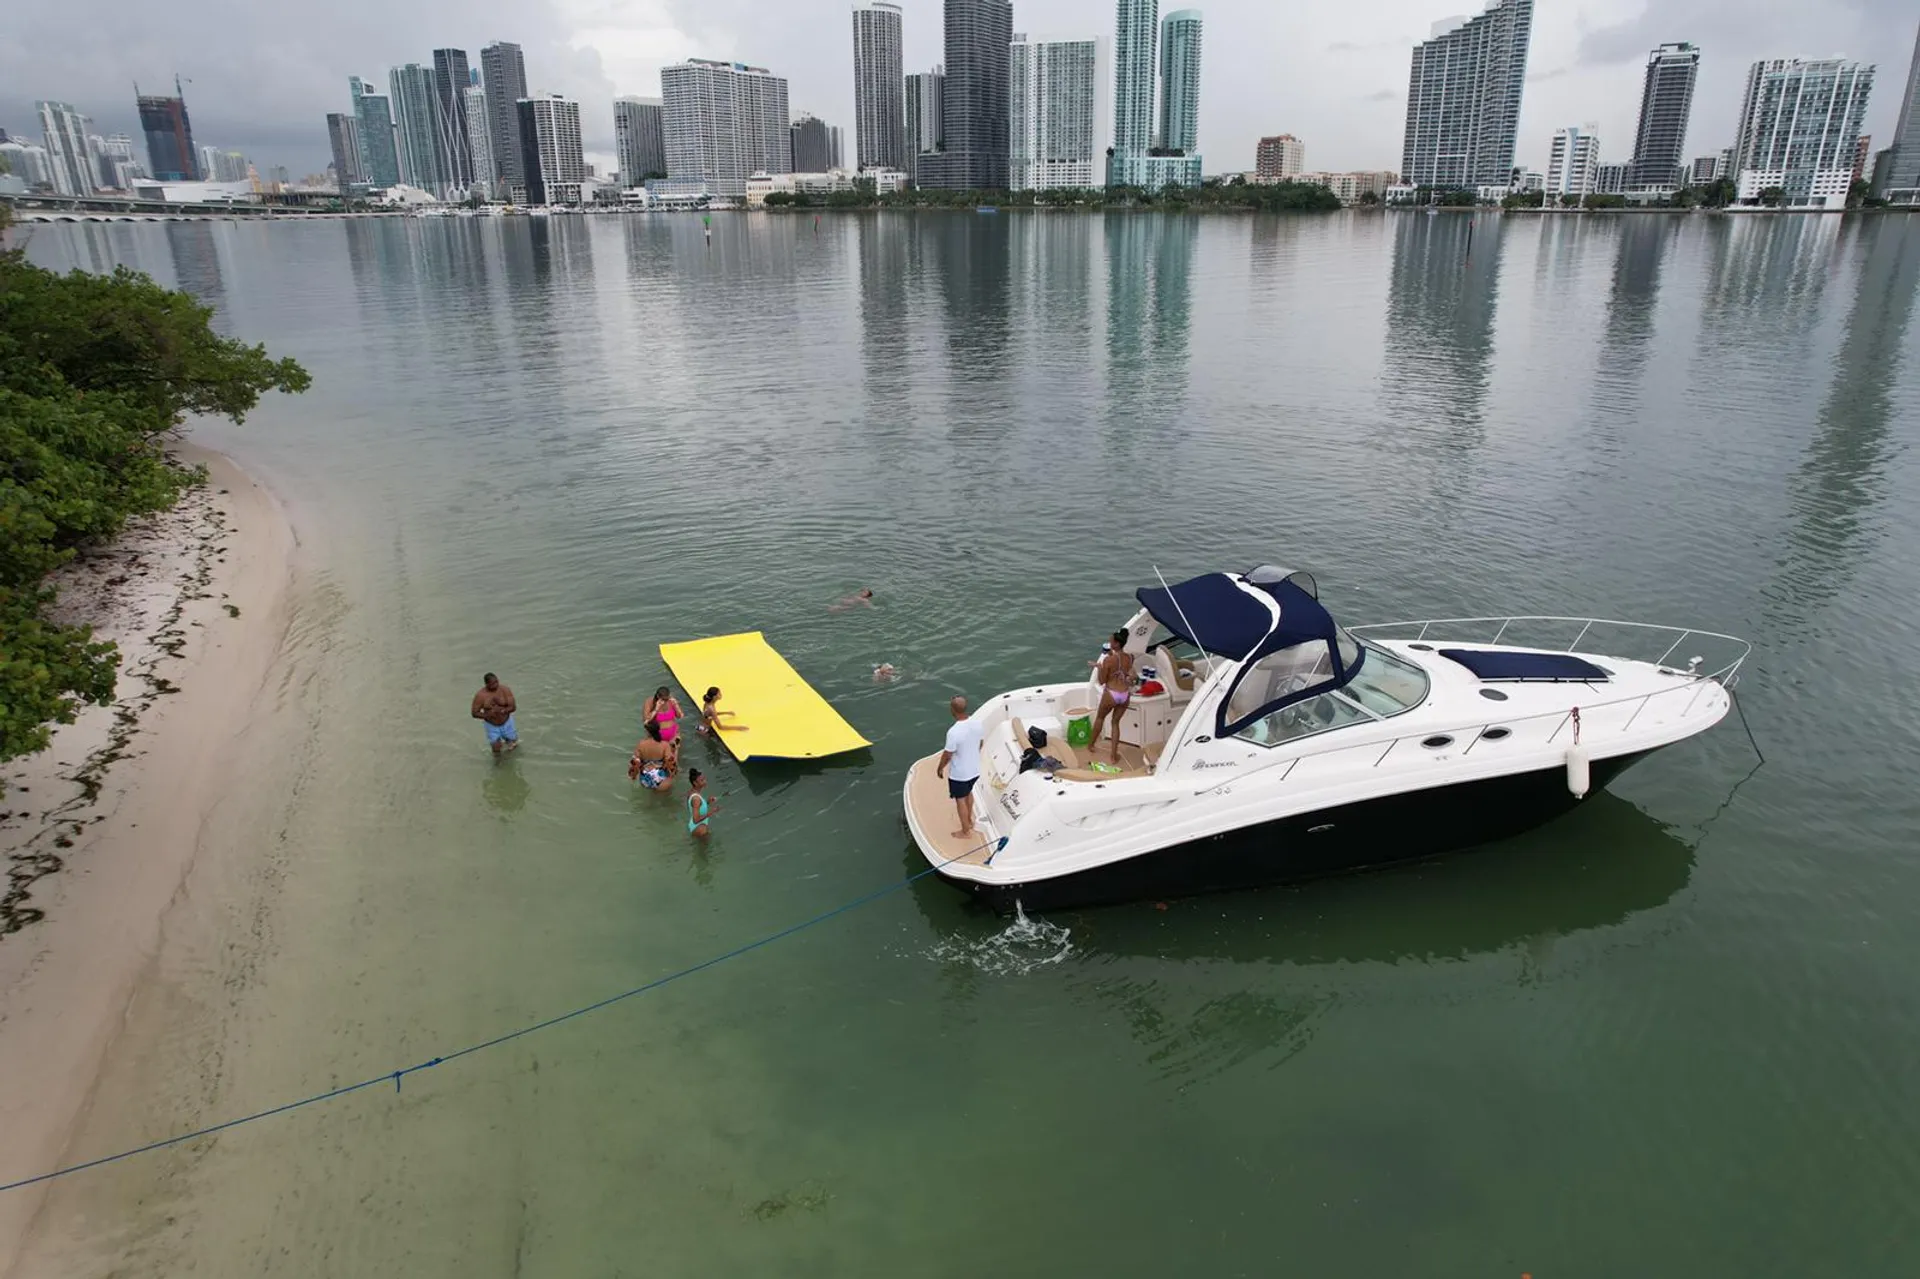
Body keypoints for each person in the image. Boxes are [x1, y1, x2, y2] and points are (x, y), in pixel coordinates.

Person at [934, 695, 984, 840]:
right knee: (969, 793)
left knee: (960, 799)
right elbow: (980, 742)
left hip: (960, 774)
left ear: (952, 710)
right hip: (974, 770)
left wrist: (940, 768)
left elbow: (947, 754)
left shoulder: (953, 732)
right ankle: (969, 821)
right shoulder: (977, 723)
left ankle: (965, 831)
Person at [1086, 630, 1135, 763]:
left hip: (1111, 693)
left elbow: (1102, 680)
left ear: (1117, 644)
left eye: (1111, 641)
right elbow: (1126, 670)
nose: (1109, 643)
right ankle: (1113, 756)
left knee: (1100, 718)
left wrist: (1099, 667)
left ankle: (1090, 745)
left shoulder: (1109, 660)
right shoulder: (1131, 657)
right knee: (1115, 723)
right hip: (1124, 694)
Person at [470, 673, 518, 756]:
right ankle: (498, 762)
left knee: (513, 744)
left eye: (496, 682)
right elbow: (474, 713)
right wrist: (488, 715)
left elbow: (513, 707)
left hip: (507, 722)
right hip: (492, 725)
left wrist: (503, 710)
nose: (496, 685)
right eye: (492, 684)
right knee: (496, 749)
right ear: (486, 684)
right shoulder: (481, 696)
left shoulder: (505, 690)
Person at [629, 722, 676, 790]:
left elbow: (635, 762)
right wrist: (672, 775)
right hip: (660, 776)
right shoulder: (665, 745)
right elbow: (670, 762)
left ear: (648, 732)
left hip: (645, 778)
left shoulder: (641, 744)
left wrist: (633, 776)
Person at [686, 768, 717, 838]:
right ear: (695, 783)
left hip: (697, 826)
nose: (705, 781)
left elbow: (695, 807)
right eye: (702, 780)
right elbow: (696, 820)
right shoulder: (696, 799)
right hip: (700, 829)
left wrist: (707, 802)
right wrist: (711, 812)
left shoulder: (692, 792)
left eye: (704, 779)